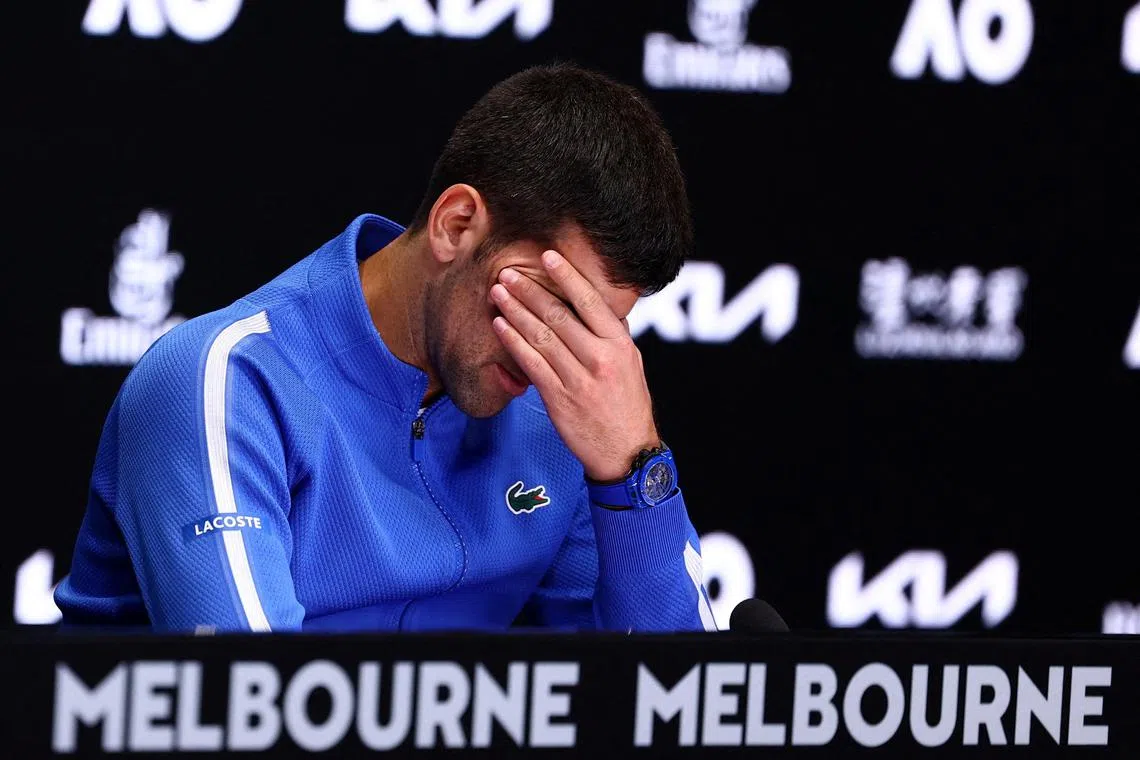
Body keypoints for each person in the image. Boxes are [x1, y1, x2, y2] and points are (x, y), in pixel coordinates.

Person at [53, 62, 718, 633]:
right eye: (550, 302)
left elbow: (680, 706)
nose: (558, 349)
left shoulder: (563, 413)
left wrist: (632, 466)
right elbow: (246, 707)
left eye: (597, 325)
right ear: (457, 226)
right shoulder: (225, 382)